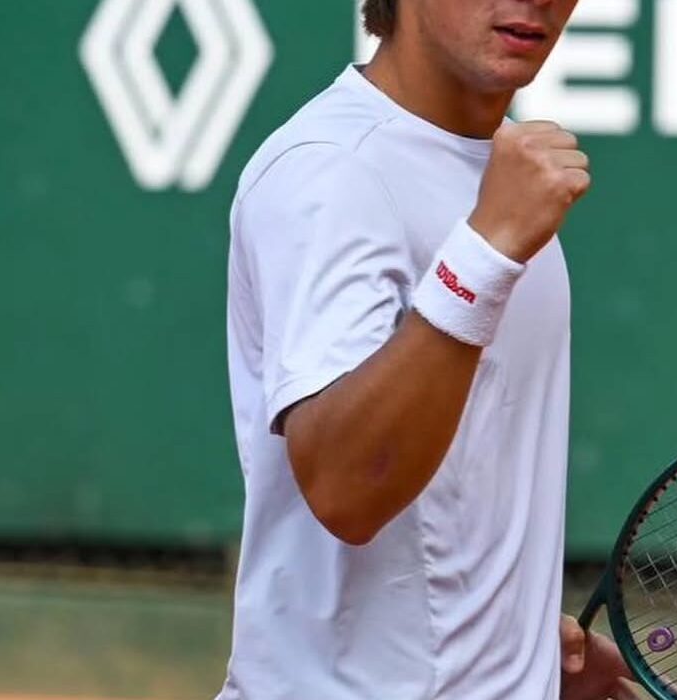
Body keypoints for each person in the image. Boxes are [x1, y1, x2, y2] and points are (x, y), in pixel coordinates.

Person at [218, 0, 636, 698]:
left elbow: (449, 495)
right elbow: (348, 489)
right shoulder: (332, 170)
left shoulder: (496, 170)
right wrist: (484, 252)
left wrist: (516, 648)